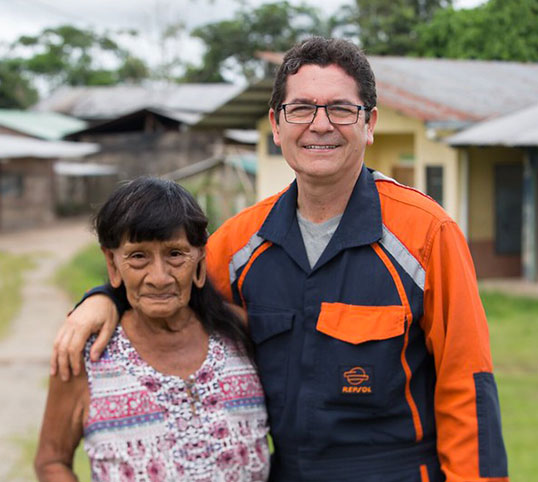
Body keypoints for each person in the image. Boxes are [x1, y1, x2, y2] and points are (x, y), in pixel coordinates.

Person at [50, 37, 509, 482]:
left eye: (341, 109)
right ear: (276, 123)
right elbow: (167, 286)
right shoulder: (242, 242)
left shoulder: (427, 234)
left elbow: (468, 389)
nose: (321, 124)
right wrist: (104, 298)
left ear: (369, 124)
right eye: (302, 108)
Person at [35, 178, 270, 481]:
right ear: (112, 262)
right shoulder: (87, 354)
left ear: (199, 257)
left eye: (175, 254)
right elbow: (51, 461)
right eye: (138, 256)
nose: (159, 277)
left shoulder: (239, 332)